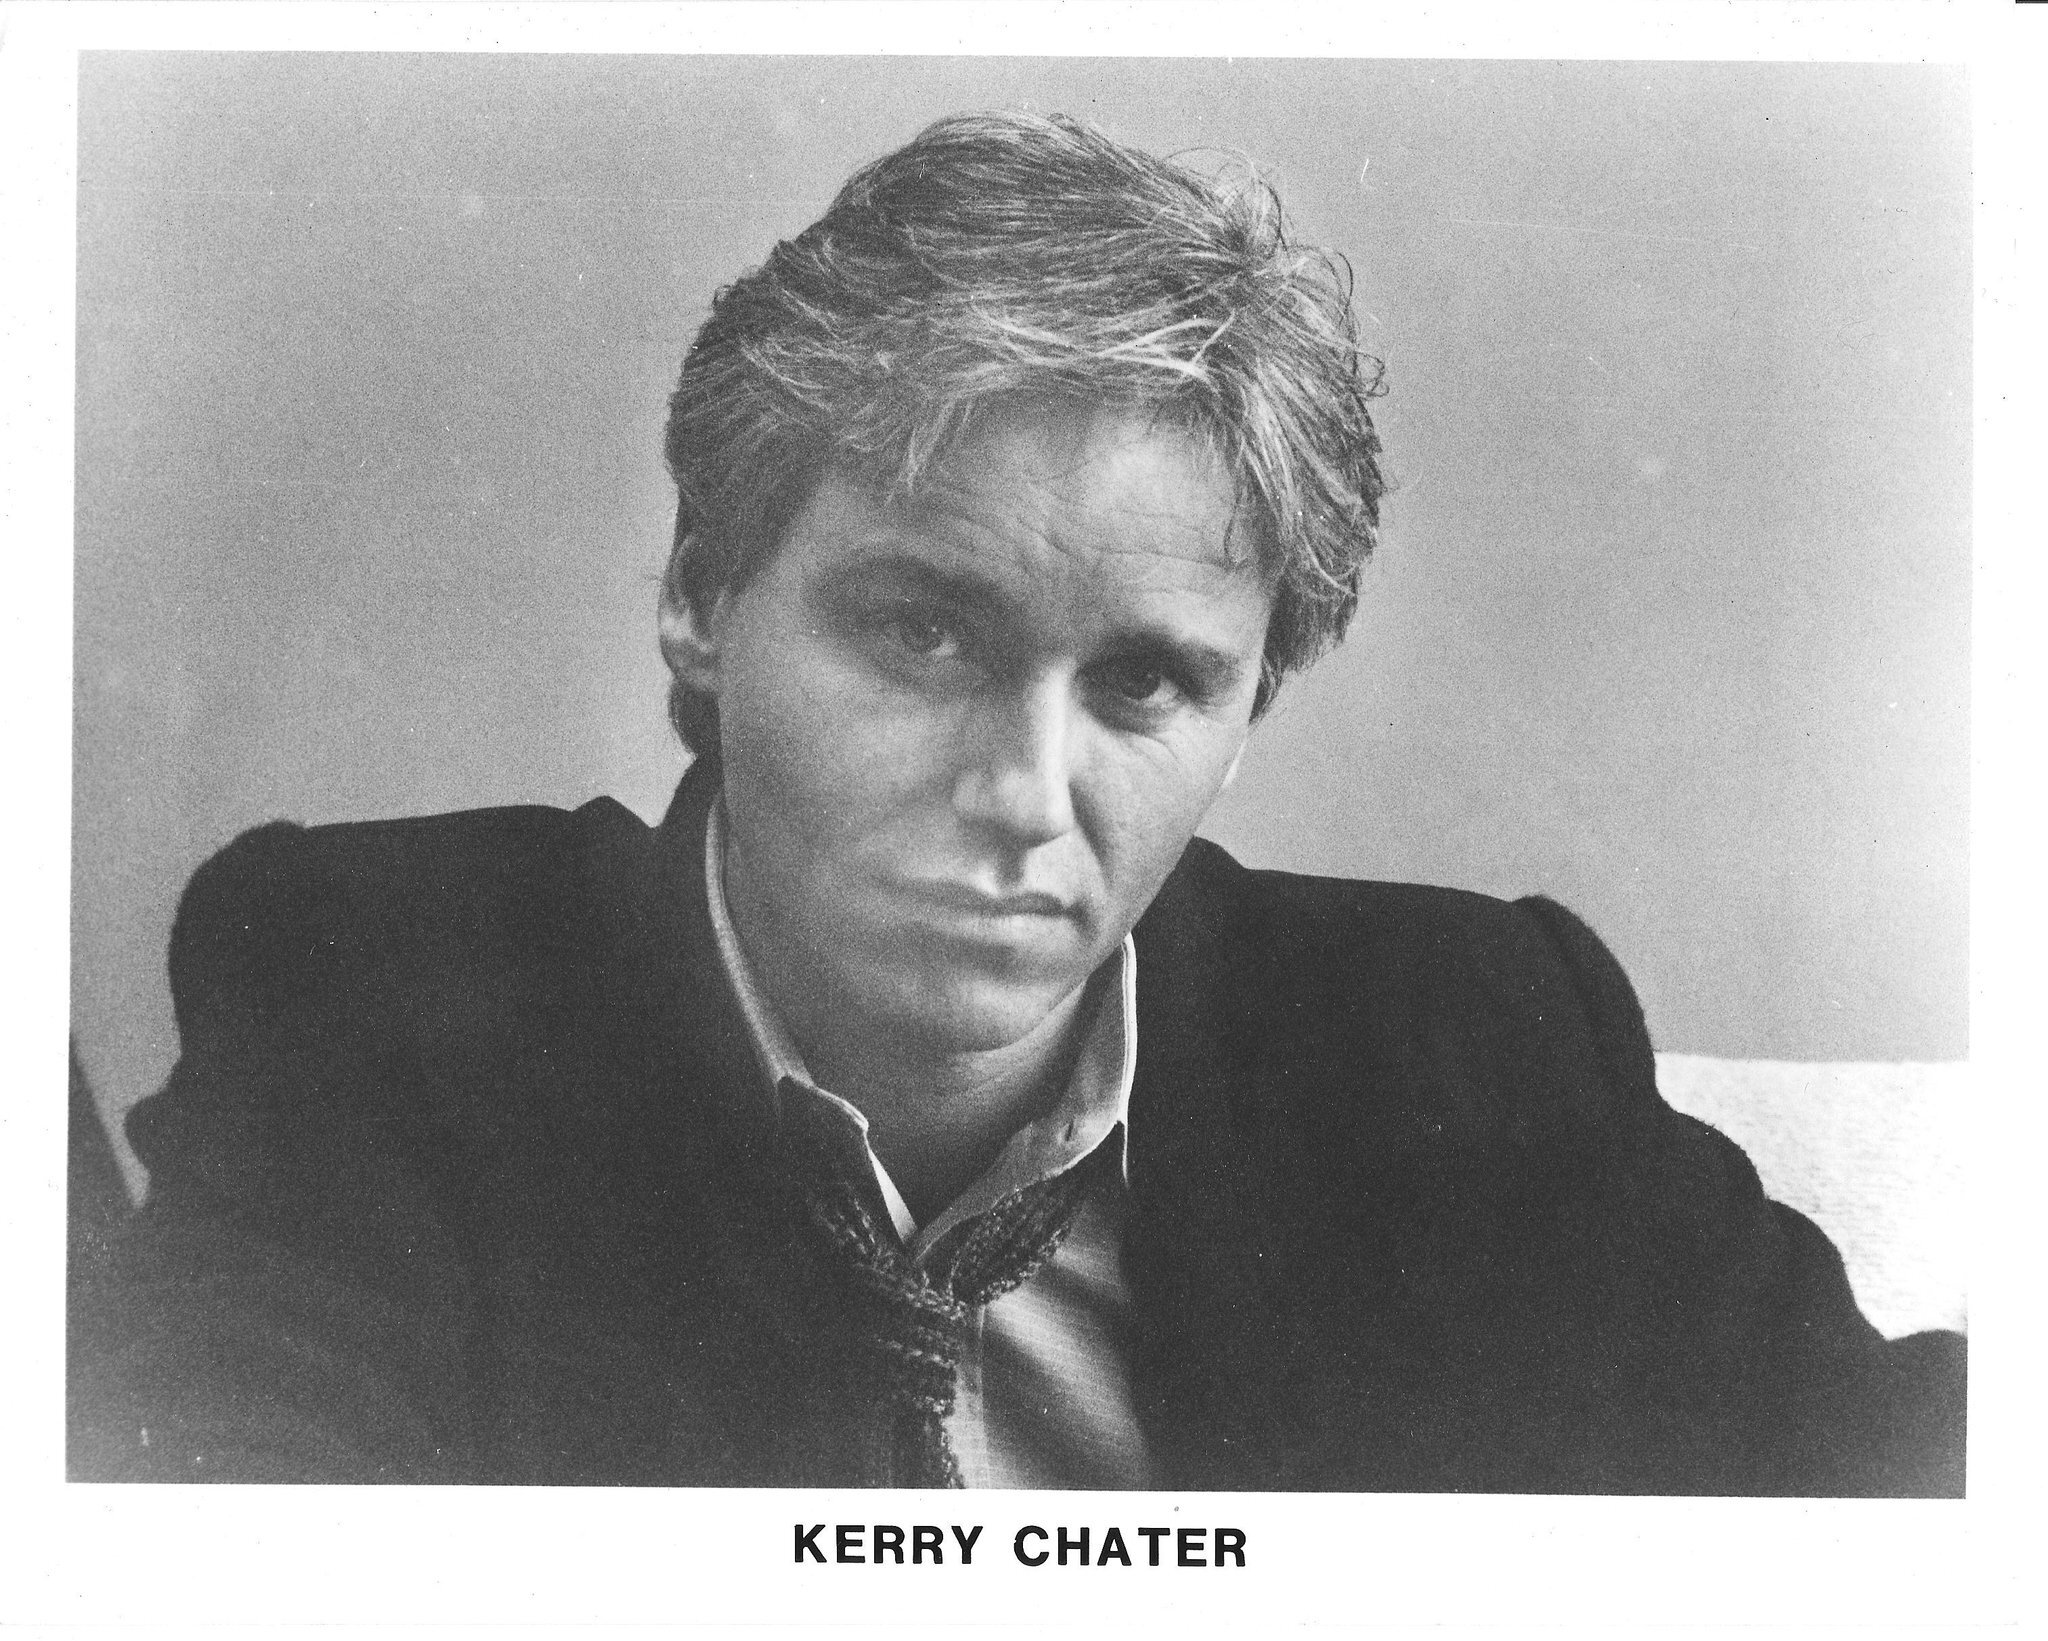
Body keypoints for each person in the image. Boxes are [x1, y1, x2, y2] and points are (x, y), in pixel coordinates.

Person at [71, 111, 1964, 1493]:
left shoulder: (1470, 1034)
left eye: (1144, 683)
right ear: (702, 598)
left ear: (1248, 711)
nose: (1022, 794)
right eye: (921, 632)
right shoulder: (376, 986)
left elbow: (1934, 1501)